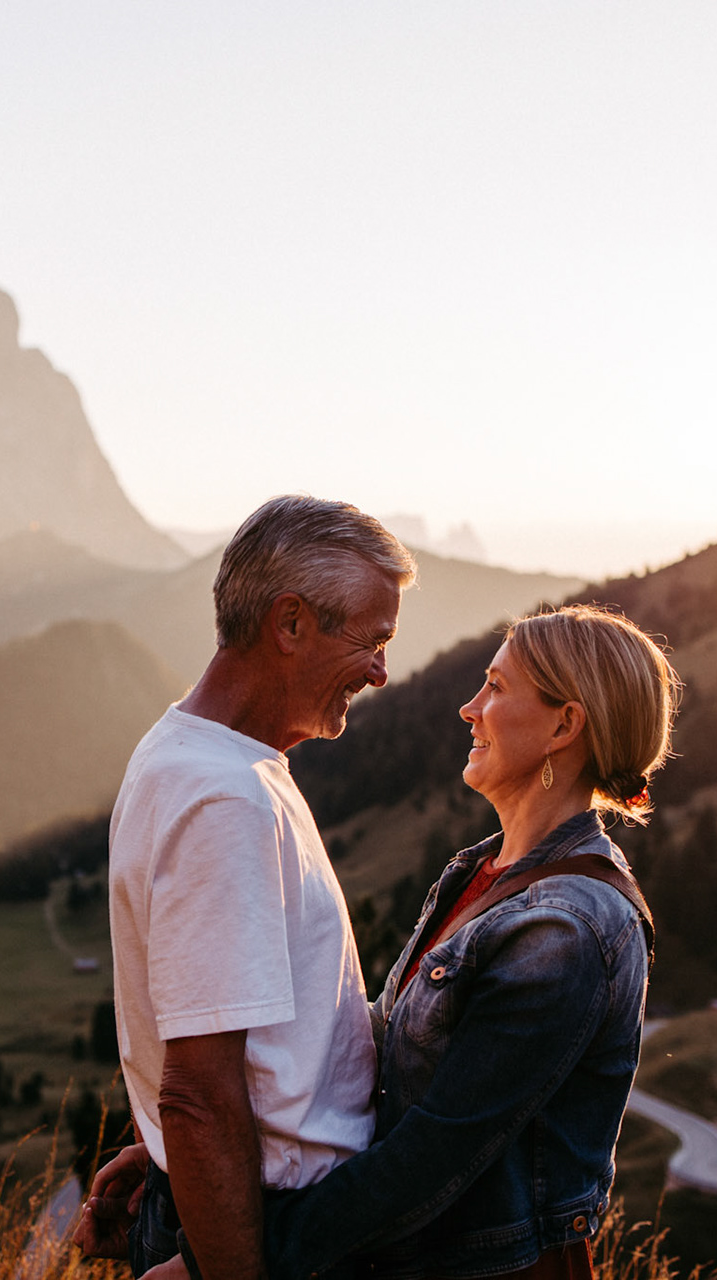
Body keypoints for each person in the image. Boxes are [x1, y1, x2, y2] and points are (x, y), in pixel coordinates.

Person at [91, 603, 679, 1280]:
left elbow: (429, 1158)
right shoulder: (481, 873)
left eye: (495, 687)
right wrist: (187, 1165)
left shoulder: (565, 929)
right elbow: (370, 1055)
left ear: (563, 726)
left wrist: (218, 1259)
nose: (469, 708)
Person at [78, 495, 417, 1279]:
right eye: (371, 640)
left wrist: (167, 1158)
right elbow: (198, 1092)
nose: (380, 672)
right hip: (272, 1231)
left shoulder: (191, 753)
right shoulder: (224, 798)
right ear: (290, 623)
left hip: (237, 1204)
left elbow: (229, 1043)